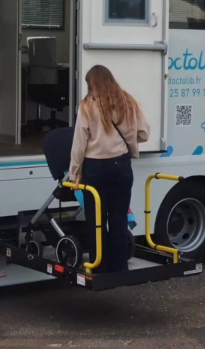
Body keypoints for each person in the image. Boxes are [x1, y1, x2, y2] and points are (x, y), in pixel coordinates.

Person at [69, 65, 150, 273]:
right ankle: (119, 268)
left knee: (96, 221)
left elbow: (79, 143)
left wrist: (74, 172)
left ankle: (99, 268)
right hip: (121, 166)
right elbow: (144, 134)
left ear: (92, 83)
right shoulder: (127, 101)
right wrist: (126, 139)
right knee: (119, 219)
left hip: (95, 168)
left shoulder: (87, 106)